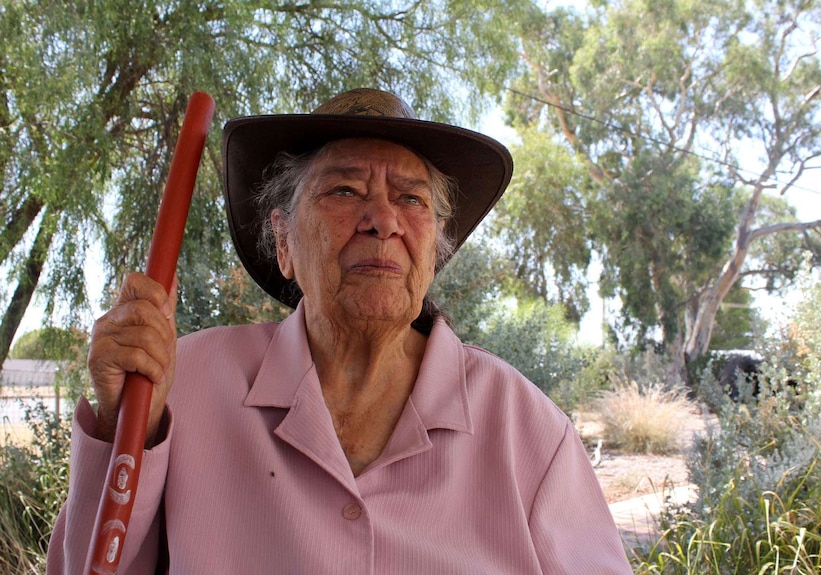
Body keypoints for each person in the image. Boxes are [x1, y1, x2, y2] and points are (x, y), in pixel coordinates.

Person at [47, 88, 632, 574]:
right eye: (344, 190)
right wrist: (127, 424)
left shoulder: (527, 431)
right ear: (283, 241)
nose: (383, 219)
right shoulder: (183, 383)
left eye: (411, 199)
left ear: (434, 248)